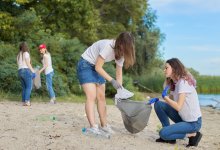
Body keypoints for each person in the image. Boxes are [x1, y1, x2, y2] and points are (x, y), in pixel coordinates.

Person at [76, 32, 135, 136]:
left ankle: (104, 125)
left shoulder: (122, 53)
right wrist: (112, 81)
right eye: (124, 47)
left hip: (96, 67)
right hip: (86, 64)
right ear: (119, 43)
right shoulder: (108, 46)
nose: (125, 50)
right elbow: (98, 67)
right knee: (92, 96)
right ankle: (93, 127)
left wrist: (119, 90)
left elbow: (119, 72)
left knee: (101, 97)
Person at [154, 58, 202, 147]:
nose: (164, 70)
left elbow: (178, 107)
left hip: (193, 123)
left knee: (163, 133)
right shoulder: (174, 83)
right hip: (183, 118)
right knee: (158, 105)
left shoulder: (183, 82)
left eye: (166, 68)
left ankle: (192, 135)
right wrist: (161, 99)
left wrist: (166, 98)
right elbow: (171, 103)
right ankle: (170, 137)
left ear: (174, 68)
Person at [17, 42, 36, 106]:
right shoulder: (26, 53)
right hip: (26, 70)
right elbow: (28, 64)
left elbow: (18, 64)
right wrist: (33, 71)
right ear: (26, 47)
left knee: (24, 87)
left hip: (19, 71)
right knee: (29, 87)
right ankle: (27, 101)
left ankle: (23, 101)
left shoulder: (18, 55)